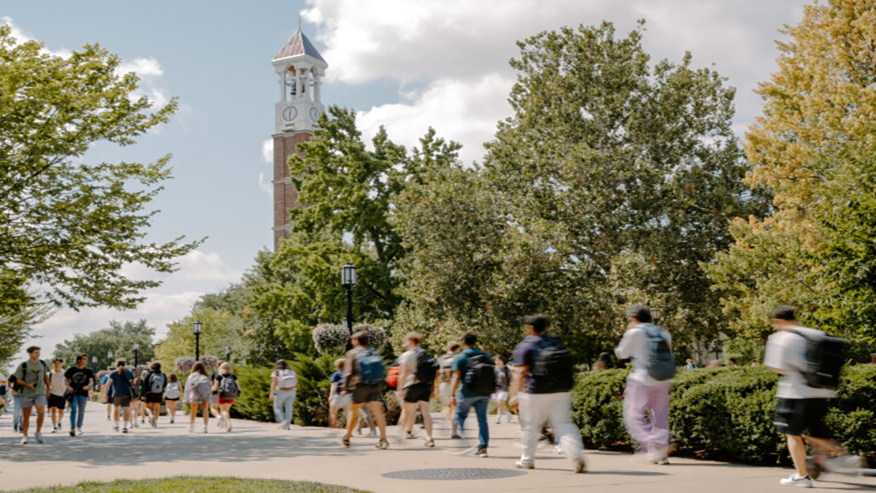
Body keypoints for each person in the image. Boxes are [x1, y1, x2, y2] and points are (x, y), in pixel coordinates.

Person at [764, 305, 861, 488]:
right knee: (815, 431)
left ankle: (803, 476)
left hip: (795, 392)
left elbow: (777, 367)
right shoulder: (815, 333)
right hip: (822, 391)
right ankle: (837, 458)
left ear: (778, 321)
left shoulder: (781, 338)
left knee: (792, 433)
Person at [512, 315, 587, 472]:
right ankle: (576, 455)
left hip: (535, 392)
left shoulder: (527, 346)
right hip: (561, 390)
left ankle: (527, 460)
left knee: (531, 427)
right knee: (564, 424)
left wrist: (516, 394)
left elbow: (523, 372)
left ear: (530, 328)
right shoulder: (555, 342)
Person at [615, 305, 674, 465]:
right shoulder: (663, 332)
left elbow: (622, 353)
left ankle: (653, 441)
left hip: (641, 378)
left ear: (634, 318)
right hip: (662, 379)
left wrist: (629, 331)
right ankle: (659, 453)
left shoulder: (635, 332)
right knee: (660, 417)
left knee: (633, 416)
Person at [341, 330, 389, 449]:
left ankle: (347, 437)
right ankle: (383, 439)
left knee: (353, 413)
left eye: (352, 340)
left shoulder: (352, 353)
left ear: (356, 341)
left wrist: (344, 388)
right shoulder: (373, 353)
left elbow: (348, 373)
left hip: (359, 386)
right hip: (374, 386)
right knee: (378, 413)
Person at [451, 332, 494, 458]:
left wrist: (452, 394)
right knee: (482, 420)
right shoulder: (486, 356)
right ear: (476, 342)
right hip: (484, 393)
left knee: (460, 416)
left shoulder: (460, 357)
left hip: (466, 393)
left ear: (464, 343)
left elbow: (456, 377)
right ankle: (483, 448)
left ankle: (464, 442)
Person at [397, 332, 436, 447]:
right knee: (426, 412)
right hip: (425, 386)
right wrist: (433, 389)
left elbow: (403, 372)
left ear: (411, 341)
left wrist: (400, 387)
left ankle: (400, 434)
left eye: (406, 341)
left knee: (406, 411)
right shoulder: (426, 354)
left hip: (412, 385)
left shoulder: (407, 355)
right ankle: (429, 437)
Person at [12, 346, 50, 445]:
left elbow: (45, 376)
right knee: (26, 415)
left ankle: (38, 432)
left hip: (40, 392)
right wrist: (27, 384)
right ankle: (25, 435)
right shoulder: (23, 365)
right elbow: (18, 379)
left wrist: (48, 388)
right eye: (36, 352)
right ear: (30, 353)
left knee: (41, 412)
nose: (38, 354)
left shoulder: (42, 364)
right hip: (26, 393)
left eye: (39, 352)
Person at [64, 354, 94, 437]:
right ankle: (72, 428)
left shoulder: (88, 371)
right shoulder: (71, 370)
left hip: (83, 394)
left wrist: (88, 386)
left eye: (86, 359)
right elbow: (66, 380)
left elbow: (91, 381)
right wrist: (68, 387)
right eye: (84, 359)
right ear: (79, 360)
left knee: (81, 411)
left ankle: (79, 427)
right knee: (73, 410)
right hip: (73, 393)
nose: (86, 361)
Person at [437, 342, 461, 438]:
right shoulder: (458, 358)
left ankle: (448, 423)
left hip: (443, 385)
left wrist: (435, 388)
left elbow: (437, 374)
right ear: (457, 349)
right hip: (454, 385)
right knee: (455, 408)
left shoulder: (441, 359)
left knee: (449, 406)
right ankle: (454, 431)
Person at [108, 361, 136, 433]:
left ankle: (116, 425)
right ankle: (124, 426)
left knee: (116, 410)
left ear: (116, 365)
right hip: (126, 393)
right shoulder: (129, 372)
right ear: (124, 365)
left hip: (116, 394)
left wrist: (105, 393)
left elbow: (108, 383)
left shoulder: (113, 373)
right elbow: (134, 382)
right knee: (126, 410)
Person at [270, 359, 298, 430]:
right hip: (292, 390)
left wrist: (271, 393)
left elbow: (274, 383)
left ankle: (283, 422)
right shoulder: (291, 371)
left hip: (281, 390)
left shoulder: (276, 372)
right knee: (289, 407)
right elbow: (296, 381)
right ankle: (287, 425)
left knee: (277, 407)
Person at [185, 361, 212, 433]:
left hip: (194, 393)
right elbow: (210, 386)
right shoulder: (206, 376)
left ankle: (192, 426)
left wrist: (186, 397)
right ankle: (205, 427)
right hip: (205, 394)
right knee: (205, 410)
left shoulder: (191, 376)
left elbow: (187, 388)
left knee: (193, 410)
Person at [213, 362, 240, 432]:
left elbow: (215, 388)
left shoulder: (218, 376)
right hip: (231, 395)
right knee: (226, 410)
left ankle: (228, 423)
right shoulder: (233, 376)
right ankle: (226, 425)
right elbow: (238, 387)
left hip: (222, 395)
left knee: (223, 410)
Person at [144, 362, 166, 428]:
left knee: (147, 407)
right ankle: (155, 421)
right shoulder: (163, 374)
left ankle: (151, 415)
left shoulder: (149, 374)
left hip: (149, 392)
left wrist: (144, 392)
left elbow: (145, 383)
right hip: (159, 393)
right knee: (157, 408)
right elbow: (165, 384)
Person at [328, 359, 349, 429]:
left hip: (338, 395)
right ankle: (348, 429)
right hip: (348, 395)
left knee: (333, 412)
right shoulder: (349, 373)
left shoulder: (336, 374)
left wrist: (331, 396)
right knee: (348, 413)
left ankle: (334, 426)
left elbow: (334, 385)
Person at [47, 358, 67, 433]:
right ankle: (54, 426)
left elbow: (68, 383)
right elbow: (47, 384)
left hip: (62, 394)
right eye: (55, 363)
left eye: (58, 363)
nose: (57, 365)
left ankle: (59, 421)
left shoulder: (65, 373)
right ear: (53, 364)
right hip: (53, 394)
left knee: (61, 411)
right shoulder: (50, 374)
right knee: (53, 410)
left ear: (61, 364)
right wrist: (47, 390)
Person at [492, 355, 512, 424]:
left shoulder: (506, 369)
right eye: (495, 361)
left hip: (504, 388)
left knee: (500, 402)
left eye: (499, 360)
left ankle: (498, 418)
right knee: (500, 404)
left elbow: (511, 379)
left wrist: (511, 388)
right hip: (495, 389)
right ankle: (508, 414)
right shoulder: (494, 369)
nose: (497, 362)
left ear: (502, 360)